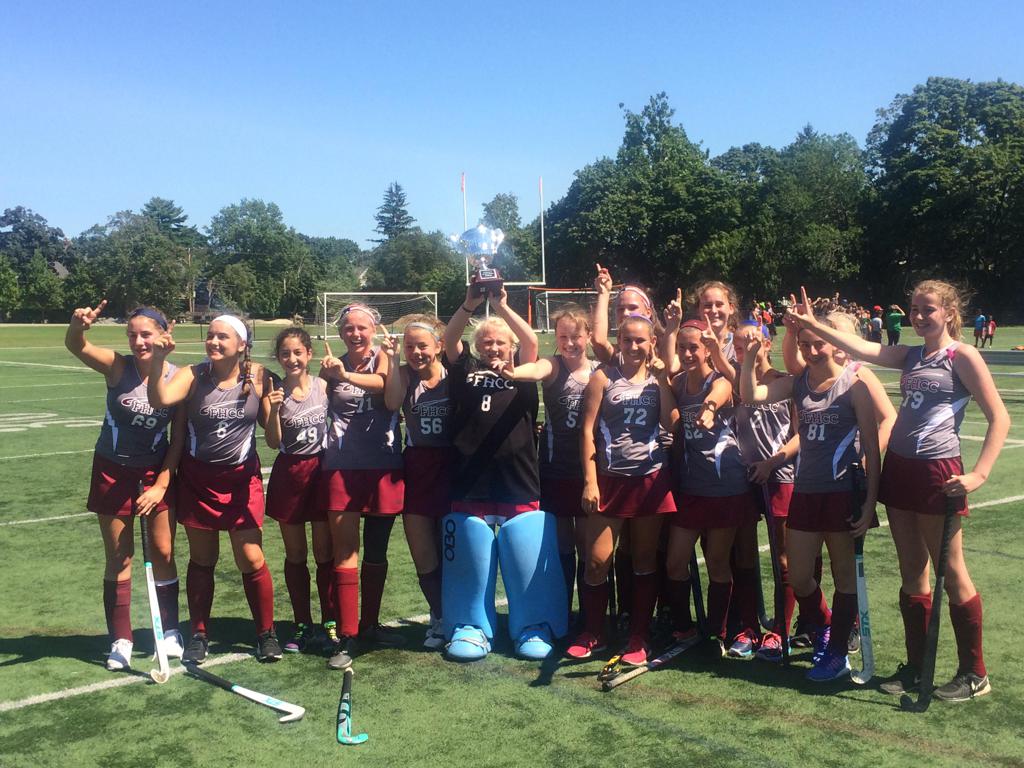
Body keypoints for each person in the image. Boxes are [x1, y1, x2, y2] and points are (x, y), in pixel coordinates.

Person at [786, 281, 1010, 701]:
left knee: (952, 572)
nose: (919, 316)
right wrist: (813, 324)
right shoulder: (911, 354)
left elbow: (999, 416)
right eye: (914, 309)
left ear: (949, 312)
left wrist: (979, 474)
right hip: (900, 470)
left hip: (937, 471)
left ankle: (974, 672)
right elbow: (860, 347)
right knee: (912, 572)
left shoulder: (962, 355)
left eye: (928, 309)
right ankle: (917, 667)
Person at [740, 310, 882, 683]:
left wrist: (869, 504)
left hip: (842, 494)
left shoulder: (855, 386)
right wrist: (748, 359)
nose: (812, 351)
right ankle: (826, 629)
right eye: (805, 345)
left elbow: (871, 447)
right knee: (800, 576)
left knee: (844, 578)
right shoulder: (798, 383)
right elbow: (751, 395)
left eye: (818, 343)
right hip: (805, 492)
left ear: (833, 344)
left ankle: (836, 654)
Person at [441, 284, 566, 661]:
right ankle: (470, 625)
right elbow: (449, 339)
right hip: (471, 478)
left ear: (510, 346)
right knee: (470, 547)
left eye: (500, 342)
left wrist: (503, 306)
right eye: (487, 342)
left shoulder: (522, 369)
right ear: (478, 346)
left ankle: (533, 623)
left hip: (518, 475)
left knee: (525, 545)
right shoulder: (466, 368)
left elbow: (531, 341)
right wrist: (470, 304)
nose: (494, 347)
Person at [148, 315, 280, 664]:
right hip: (199, 479)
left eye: (222, 337)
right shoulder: (192, 375)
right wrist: (159, 360)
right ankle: (200, 634)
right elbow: (160, 398)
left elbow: (273, 436)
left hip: (242, 480)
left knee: (251, 557)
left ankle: (266, 633)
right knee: (203, 559)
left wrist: (278, 409)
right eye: (210, 336)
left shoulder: (260, 376)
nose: (214, 342)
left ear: (242, 345)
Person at [66, 301, 186, 671]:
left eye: (145, 334)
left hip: (154, 472)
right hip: (112, 470)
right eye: (132, 335)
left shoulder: (179, 378)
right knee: (119, 556)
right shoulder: (118, 366)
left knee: (163, 551)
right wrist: (78, 326)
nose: (138, 341)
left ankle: (169, 631)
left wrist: (161, 484)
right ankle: (121, 639)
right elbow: (77, 346)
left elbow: (178, 439)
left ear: (164, 334)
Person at [569, 314, 676, 666]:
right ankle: (594, 632)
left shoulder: (658, 379)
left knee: (644, 560)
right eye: (627, 340)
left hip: (649, 478)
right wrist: (590, 479)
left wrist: (663, 381)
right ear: (619, 341)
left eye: (640, 340)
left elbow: (670, 423)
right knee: (596, 561)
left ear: (652, 343)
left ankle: (639, 636)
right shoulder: (603, 376)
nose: (633, 346)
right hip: (609, 478)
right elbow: (587, 431)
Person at [662, 319, 759, 658]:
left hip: (725, 487)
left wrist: (709, 408)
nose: (688, 353)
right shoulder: (676, 383)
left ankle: (716, 632)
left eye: (694, 348)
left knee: (718, 562)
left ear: (707, 350)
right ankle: (684, 626)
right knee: (675, 562)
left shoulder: (719, 380)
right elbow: (668, 415)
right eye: (682, 348)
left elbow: (721, 393)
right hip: (691, 487)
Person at [499, 308, 598, 628]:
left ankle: (591, 618)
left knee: (587, 546)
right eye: (563, 337)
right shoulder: (554, 365)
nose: (569, 343)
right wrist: (514, 372)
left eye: (576, 336)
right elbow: (536, 368)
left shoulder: (599, 371)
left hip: (590, 472)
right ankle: (562, 614)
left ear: (588, 337)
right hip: (555, 470)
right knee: (562, 546)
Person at [319, 304, 405, 671]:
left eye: (362, 328)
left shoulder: (385, 359)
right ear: (341, 333)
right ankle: (347, 634)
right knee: (345, 551)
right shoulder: (331, 367)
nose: (355, 334)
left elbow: (388, 392)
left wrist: (347, 376)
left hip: (383, 465)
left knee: (377, 551)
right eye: (348, 328)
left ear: (374, 329)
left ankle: (369, 624)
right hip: (342, 466)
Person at [381, 314, 453, 649]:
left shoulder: (454, 375)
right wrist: (392, 359)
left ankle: (461, 616)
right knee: (423, 551)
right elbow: (392, 403)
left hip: (452, 466)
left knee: (453, 550)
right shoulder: (405, 375)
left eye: (422, 345)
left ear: (439, 346)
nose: (416, 352)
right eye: (410, 346)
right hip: (417, 466)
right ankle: (439, 616)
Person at [730, 320, 800, 662]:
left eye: (753, 342)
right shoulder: (735, 382)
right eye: (739, 346)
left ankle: (779, 631)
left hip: (780, 476)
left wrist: (772, 463)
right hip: (743, 478)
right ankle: (748, 628)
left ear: (768, 344)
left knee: (782, 556)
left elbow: (800, 434)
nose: (747, 349)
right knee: (744, 553)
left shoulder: (784, 382)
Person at [262, 327, 334, 654]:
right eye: (285, 354)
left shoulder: (322, 385)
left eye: (297, 352)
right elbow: (273, 441)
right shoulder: (275, 393)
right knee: (296, 555)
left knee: (324, 554)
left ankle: (330, 621)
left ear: (309, 354)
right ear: (279, 358)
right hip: (289, 474)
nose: (292, 359)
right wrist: (274, 410)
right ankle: (302, 623)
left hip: (320, 472)